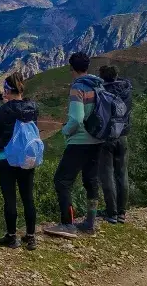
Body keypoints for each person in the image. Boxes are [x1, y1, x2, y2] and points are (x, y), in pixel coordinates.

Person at [44, 52, 104, 239]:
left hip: (79, 141)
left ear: (71, 68)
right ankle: (90, 223)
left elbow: (77, 118)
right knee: (91, 180)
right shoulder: (99, 85)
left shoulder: (78, 87)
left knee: (62, 181)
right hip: (98, 140)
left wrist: (65, 131)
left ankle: (67, 224)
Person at [0, 72, 39, 250]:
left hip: (6, 158)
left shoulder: (5, 109)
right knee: (28, 197)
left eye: (4, 90)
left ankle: (12, 237)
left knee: (10, 199)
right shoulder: (32, 107)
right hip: (27, 157)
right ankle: (31, 237)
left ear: (8, 91)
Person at [97, 65, 132, 224]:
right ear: (117, 75)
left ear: (102, 77)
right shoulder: (127, 90)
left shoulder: (101, 92)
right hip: (123, 135)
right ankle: (122, 213)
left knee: (107, 174)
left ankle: (111, 212)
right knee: (122, 173)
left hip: (106, 138)